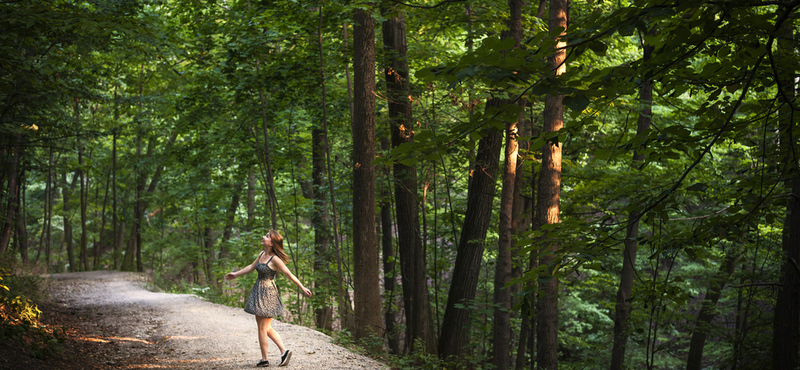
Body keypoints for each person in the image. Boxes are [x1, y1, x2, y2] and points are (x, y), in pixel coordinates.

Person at [225, 230, 312, 367]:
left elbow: (288, 274)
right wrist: (236, 274)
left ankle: (265, 359)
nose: (263, 237)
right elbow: (251, 267)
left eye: (266, 236)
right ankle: (284, 351)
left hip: (268, 294)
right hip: (258, 291)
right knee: (266, 327)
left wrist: (302, 287)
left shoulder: (275, 259)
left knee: (262, 328)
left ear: (272, 243)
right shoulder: (261, 254)